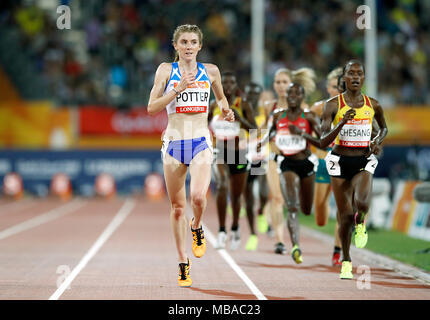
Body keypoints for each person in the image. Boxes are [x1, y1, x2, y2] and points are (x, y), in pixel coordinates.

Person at [148, 24, 234, 287]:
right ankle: (183, 263)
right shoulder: (166, 70)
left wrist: (226, 112)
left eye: (192, 42)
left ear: (199, 46)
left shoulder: (211, 71)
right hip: (174, 143)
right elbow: (151, 108)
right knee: (177, 209)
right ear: (175, 46)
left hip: (199, 140)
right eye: (183, 42)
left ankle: (197, 226)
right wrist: (177, 90)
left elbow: (220, 99)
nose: (188, 46)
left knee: (198, 196)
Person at [320, 60, 388, 279]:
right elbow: (322, 141)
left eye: (360, 73)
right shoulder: (332, 105)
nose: (356, 77)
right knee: (344, 216)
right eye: (351, 73)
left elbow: (383, 128)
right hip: (339, 160)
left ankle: (362, 222)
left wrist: (377, 141)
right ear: (345, 78)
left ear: (364, 78)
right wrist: (341, 124)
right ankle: (346, 261)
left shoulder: (373, 105)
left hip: (362, 159)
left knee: (362, 202)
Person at [259, 77, 320, 264]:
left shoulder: (307, 111)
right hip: (277, 158)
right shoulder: (272, 109)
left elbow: (320, 138)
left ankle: (269, 215)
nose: (280, 86)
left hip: (304, 160)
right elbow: (264, 130)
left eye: (284, 82)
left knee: (304, 208)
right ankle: (282, 241)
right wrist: (259, 143)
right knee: (279, 199)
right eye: (277, 82)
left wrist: (302, 136)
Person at [208, 71, 257, 250]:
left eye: (231, 83)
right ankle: (221, 231)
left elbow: (255, 129)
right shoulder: (213, 105)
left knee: (236, 196)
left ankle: (235, 227)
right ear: (218, 86)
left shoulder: (243, 104)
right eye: (224, 83)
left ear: (236, 86)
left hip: (239, 153)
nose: (227, 87)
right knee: (221, 186)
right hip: (219, 152)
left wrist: (240, 117)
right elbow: (202, 126)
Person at [310, 67, 344, 266]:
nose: (335, 90)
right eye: (331, 86)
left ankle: (338, 251)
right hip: (323, 161)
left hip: (342, 160)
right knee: (320, 216)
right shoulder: (320, 107)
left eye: (338, 86)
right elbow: (304, 115)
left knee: (342, 207)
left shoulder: (351, 107)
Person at [242, 82, 270, 251]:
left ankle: (261, 212)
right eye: (249, 93)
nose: (252, 96)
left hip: (259, 155)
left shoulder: (263, 112)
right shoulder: (240, 110)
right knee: (248, 199)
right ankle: (253, 234)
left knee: (264, 193)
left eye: (255, 94)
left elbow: (267, 130)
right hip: (243, 156)